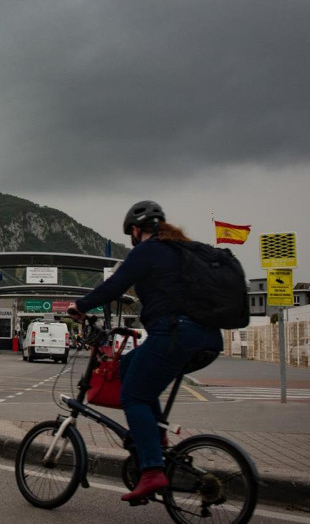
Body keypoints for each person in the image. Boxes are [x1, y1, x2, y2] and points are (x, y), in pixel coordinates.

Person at [66, 200, 223, 503]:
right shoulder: (182, 250)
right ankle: (156, 437)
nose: (132, 240)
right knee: (129, 368)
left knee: (133, 395)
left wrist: (80, 306)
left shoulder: (148, 251)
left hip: (175, 334)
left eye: (131, 235)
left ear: (137, 230)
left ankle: (152, 469)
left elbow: (114, 286)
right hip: (208, 339)